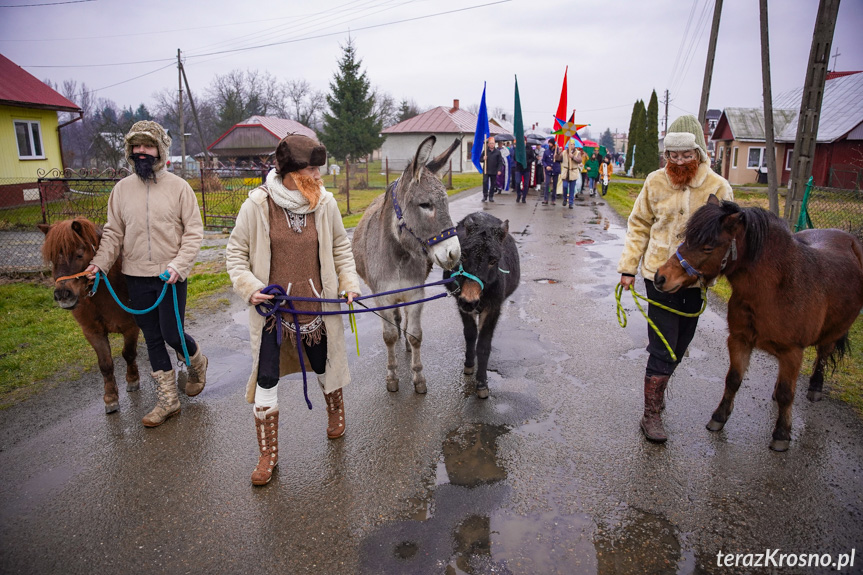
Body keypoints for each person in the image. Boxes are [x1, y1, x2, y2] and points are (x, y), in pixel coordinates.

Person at [226, 134, 362, 486]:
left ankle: (335, 410)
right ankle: (268, 455)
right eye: (312, 169)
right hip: (273, 313)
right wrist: (251, 289)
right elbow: (235, 255)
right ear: (289, 171)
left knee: (323, 366)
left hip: (317, 308)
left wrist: (349, 284)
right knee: (266, 378)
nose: (318, 175)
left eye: (318, 168)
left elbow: (342, 250)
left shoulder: (325, 203)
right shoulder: (257, 205)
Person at [617, 115, 734, 444]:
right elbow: (639, 224)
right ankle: (650, 414)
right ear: (665, 156)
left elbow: (727, 238)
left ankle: (661, 385)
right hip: (659, 276)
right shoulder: (654, 182)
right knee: (663, 346)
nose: (679, 161)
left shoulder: (718, 188)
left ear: (699, 152)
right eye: (673, 155)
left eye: (686, 154)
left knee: (680, 347)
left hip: (695, 283)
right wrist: (629, 267)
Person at [84, 121, 206, 428]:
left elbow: (193, 232)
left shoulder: (179, 188)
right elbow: (112, 234)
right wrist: (98, 265)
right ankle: (168, 401)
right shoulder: (121, 190)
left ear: (160, 151)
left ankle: (197, 361)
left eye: (148, 146)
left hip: (171, 276)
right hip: (136, 276)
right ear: (129, 151)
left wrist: (179, 265)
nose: (141, 152)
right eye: (135, 146)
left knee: (172, 333)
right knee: (151, 337)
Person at [560, 141, 583, 208]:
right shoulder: (564, 152)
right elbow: (558, 158)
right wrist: (558, 153)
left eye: (573, 144)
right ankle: (564, 199)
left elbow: (579, 160)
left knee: (572, 189)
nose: (572, 146)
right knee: (565, 186)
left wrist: (573, 157)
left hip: (573, 172)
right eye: (570, 144)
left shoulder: (578, 153)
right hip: (566, 172)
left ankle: (571, 203)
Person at [480, 136, 502, 202]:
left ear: (494, 144)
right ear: (488, 144)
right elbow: (480, 159)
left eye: (493, 143)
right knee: (485, 182)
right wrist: (483, 158)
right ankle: (485, 195)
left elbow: (500, 162)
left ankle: (491, 196)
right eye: (490, 143)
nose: (492, 144)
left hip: (494, 170)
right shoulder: (485, 151)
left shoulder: (497, 152)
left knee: (493, 184)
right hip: (486, 170)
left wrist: (499, 170)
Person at [541, 138, 561, 205]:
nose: (549, 144)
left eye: (550, 143)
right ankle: (546, 199)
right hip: (548, 170)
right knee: (547, 184)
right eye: (549, 143)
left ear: (553, 144)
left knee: (555, 185)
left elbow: (561, 160)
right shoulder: (546, 152)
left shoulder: (557, 151)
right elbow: (543, 160)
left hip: (555, 170)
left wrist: (557, 155)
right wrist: (546, 166)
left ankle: (553, 199)